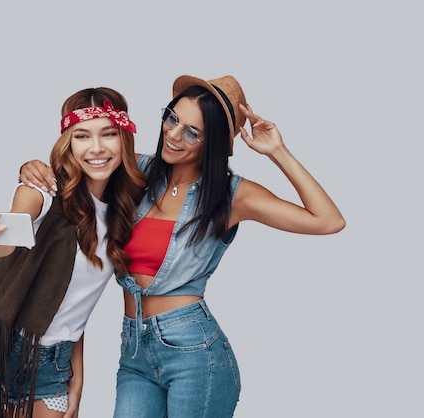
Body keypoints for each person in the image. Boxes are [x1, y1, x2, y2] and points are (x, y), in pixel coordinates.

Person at [18, 74, 346, 417]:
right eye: (172, 118)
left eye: (192, 131)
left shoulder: (233, 196)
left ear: (214, 143)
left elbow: (328, 220)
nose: (173, 135)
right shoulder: (136, 172)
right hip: (134, 351)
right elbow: (80, 162)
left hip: (194, 351)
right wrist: (32, 166)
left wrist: (277, 151)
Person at [0, 87, 145, 418]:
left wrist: (78, 381)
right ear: (68, 143)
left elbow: (74, 309)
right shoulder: (44, 190)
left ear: (124, 139)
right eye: (82, 136)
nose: (97, 148)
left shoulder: (123, 215)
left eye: (109, 134)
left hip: (52, 364)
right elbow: (12, 232)